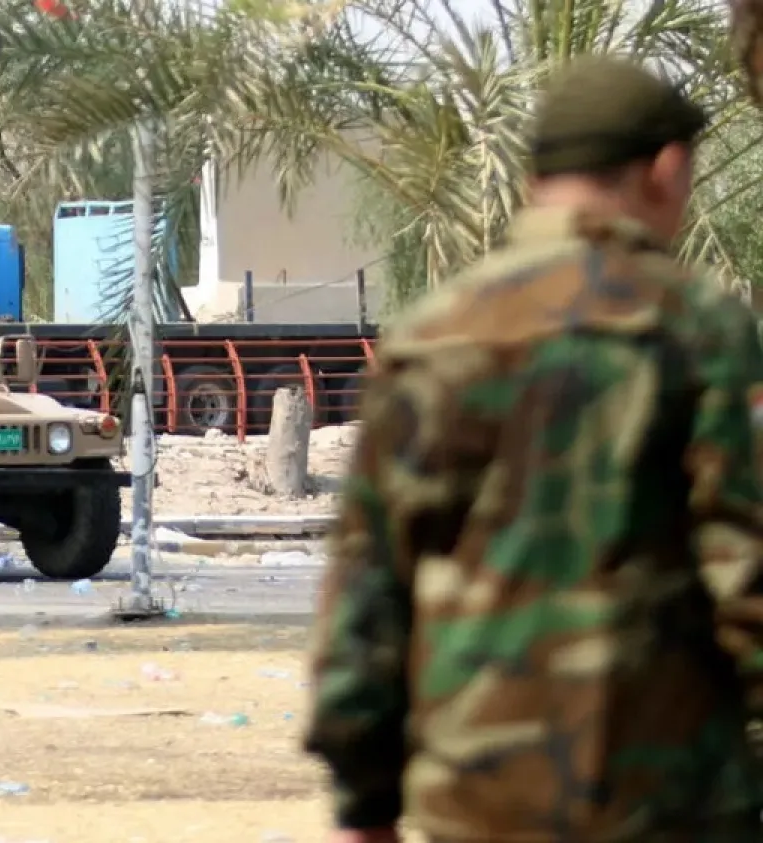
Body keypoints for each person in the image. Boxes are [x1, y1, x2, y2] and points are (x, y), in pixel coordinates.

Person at [303, 56, 763, 843]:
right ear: (666, 167)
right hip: (667, 796)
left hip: (475, 797)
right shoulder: (701, 330)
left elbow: (372, 579)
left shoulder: (432, 335)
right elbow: (746, 573)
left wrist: (364, 798)